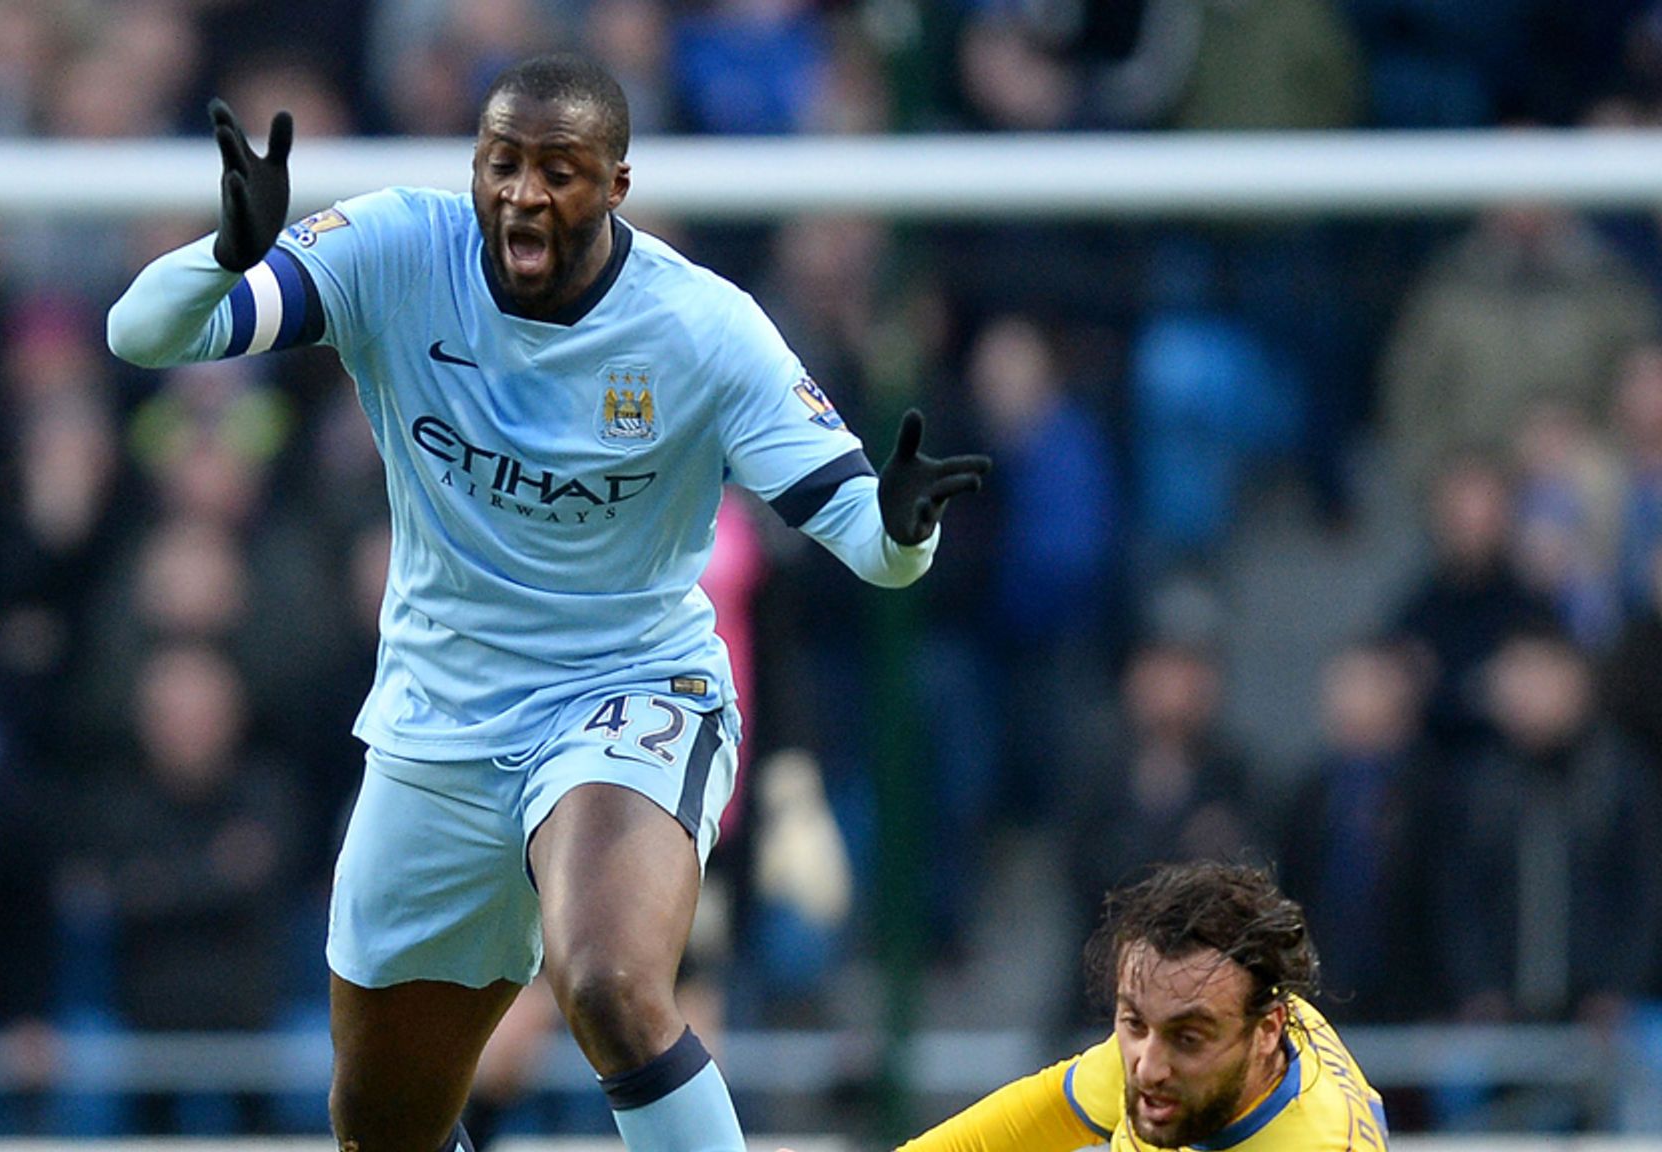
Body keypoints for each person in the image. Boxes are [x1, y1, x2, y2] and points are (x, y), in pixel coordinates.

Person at [108, 51, 990, 1152]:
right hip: (438, 718)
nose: (523, 193)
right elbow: (143, 334)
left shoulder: (700, 329)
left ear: (616, 185)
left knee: (608, 983)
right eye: (502, 163)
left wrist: (906, 527)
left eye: (560, 170)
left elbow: (866, 540)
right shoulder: (395, 250)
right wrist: (223, 255)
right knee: (381, 1127)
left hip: (624, 690)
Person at [892, 860, 1387, 1152]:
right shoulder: (1181, 1035)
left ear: (1267, 1032)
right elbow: (1023, 1125)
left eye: (1187, 1038)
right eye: (1133, 1023)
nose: (1147, 1067)